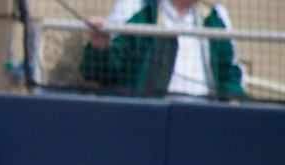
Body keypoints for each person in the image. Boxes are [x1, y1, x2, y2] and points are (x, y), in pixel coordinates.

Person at [80, 0, 246, 100]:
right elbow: (98, 72)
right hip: (148, 116)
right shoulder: (134, 7)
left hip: (204, 116)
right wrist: (100, 48)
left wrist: (235, 102)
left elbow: (230, 74)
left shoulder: (215, 17)